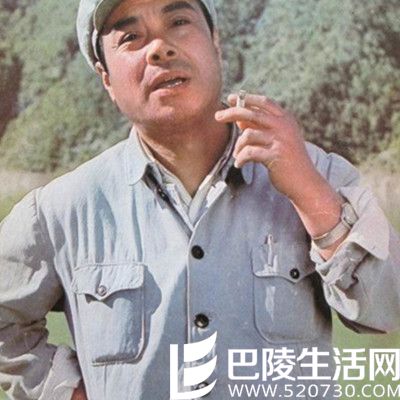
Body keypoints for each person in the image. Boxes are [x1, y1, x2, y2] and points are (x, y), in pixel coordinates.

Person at [0, 0, 399, 399]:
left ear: (215, 44)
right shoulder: (61, 210)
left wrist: (311, 195)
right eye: (131, 36)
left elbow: (388, 310)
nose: (160, 48)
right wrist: (64, 389)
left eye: (178, 21)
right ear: (106, 78)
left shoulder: (316, 173)